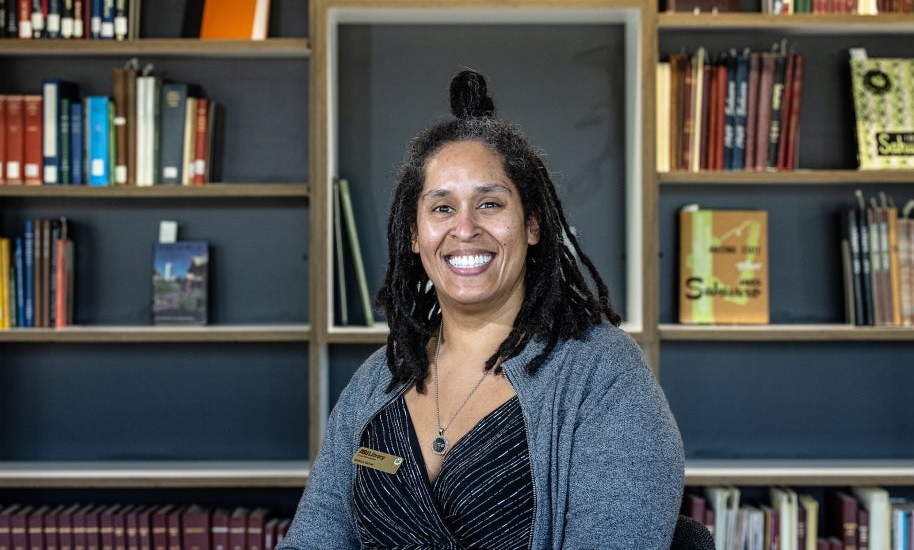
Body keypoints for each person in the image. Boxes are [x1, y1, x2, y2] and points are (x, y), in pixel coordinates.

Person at [279, 69, 684, 549]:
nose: (465, 228)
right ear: (413, 235)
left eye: (490, 204)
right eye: (442, 208)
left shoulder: (603, 376)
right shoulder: (376, 382)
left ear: (533, 225)